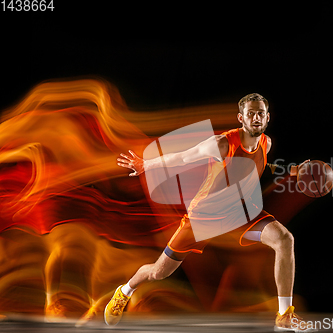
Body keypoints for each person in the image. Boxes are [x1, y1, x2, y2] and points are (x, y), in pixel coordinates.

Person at [106, 93, 314, 332]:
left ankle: (285, 316)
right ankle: (125, 290)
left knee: (284, 239)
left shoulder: (266, 143)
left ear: (267, 118)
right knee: (158, 271)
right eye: (251, 113)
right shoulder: (222, 144)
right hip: (204, 218)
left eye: (260, 114)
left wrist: (293, 170)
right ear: (241, 118)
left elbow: (258, 164)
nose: (256, 118)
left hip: (240, 213)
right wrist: (146, 165)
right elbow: (183, 157)